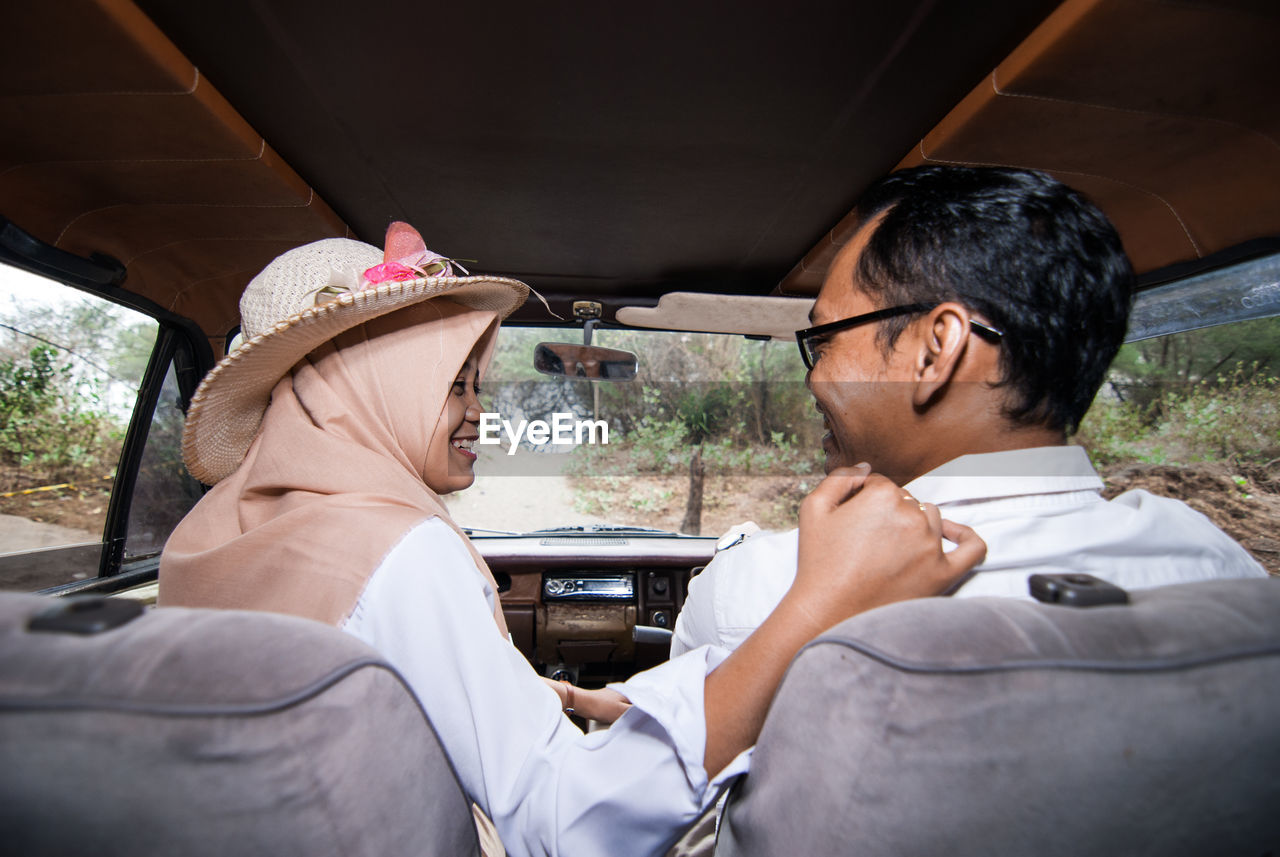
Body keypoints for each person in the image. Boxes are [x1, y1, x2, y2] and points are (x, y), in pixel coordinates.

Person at [158, 222, 985, 857]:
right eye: (452, 384)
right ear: (370, 388)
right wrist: (810, 615)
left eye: (478, 382)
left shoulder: (208, 538)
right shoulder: (401, 548)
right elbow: (565, 822)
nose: (478, 411)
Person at [673, 165, 1267, 657]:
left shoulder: (758, 593)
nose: (816, 374)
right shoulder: (1215, 562)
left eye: (825, 339)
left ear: (935, 351)